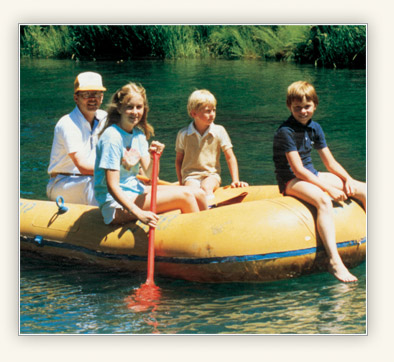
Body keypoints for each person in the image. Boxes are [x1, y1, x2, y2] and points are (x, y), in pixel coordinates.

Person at [273, 80, 366, 283]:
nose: (303, 111)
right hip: (291, 180)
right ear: (290, 107)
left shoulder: (315, 128)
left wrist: (347, 179)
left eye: (307, 107)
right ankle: (334, 261)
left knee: (365, 189)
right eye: (297, 108)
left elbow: (330, 162)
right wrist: (328, 189)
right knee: (323, 201)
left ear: (315, 105)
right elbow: (298, 170)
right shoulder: (285, 132)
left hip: (312, 174)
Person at [94, 82, 208, 227]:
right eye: (130, 107)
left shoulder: (138, 135)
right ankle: (198, 238)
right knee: (185, 196)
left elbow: (150, 176)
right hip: (114, 204)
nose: (135, 112)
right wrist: (139, 213)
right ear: (120, 108)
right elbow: (112, 186)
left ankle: (208, 231)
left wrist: (155, 157)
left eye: (139, 107)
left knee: (197, 192)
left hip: (136, 191)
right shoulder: (112, 137)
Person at [47, 71, 107, 205]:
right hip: (63, 182)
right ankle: (111, 218)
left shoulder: (105, 118)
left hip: (94, 177)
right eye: (86, 94)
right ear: (76, 98)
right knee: (97, 184)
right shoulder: (68, 123)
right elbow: (83, 167)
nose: (92, 98)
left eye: (96, 94)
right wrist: (114, 170)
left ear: (102, 97)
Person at [175, 89, 248, 200]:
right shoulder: (183, 134)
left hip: (211, 175)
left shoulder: (219, 131)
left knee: (206, 188)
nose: (212, 114)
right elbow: (179, 160)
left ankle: (210, 208)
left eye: (214, 110)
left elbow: (230, 157)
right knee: (192, 192)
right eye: (208, 111)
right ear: (193, 113)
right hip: (190, 176)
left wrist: (235, 180)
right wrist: (181, 182)